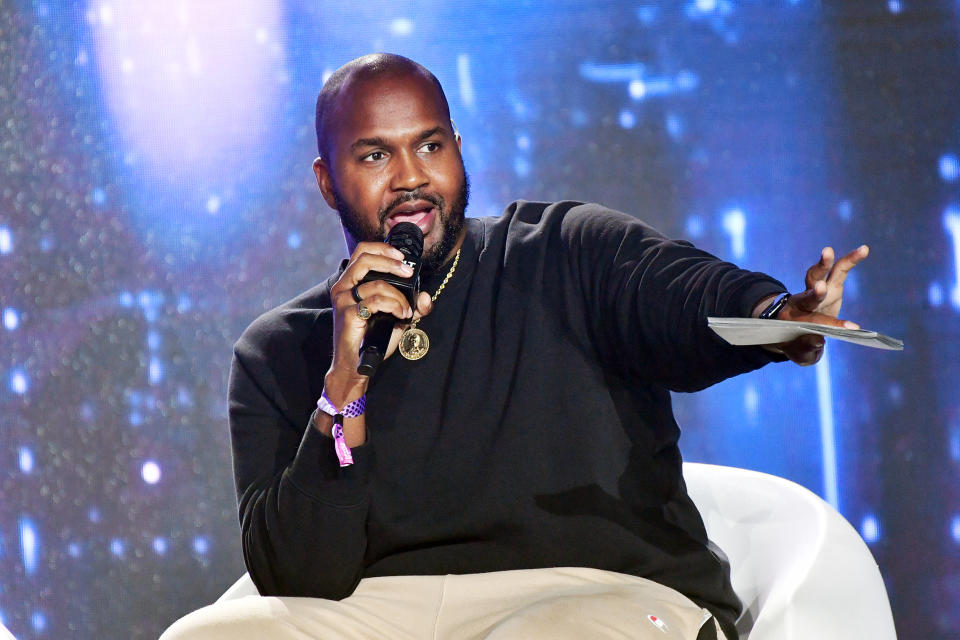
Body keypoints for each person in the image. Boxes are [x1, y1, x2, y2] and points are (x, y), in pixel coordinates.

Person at [161, 54, 867, 640]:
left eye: (429, 146)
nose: (410, 176)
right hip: (386, 610)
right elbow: (301, 577)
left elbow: (685, 298)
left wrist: (782, 316)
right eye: (376, 154)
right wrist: (344, 382)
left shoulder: (562, 252)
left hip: (597, 593)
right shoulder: (278, 352)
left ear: (459, 152)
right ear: (326, 181)